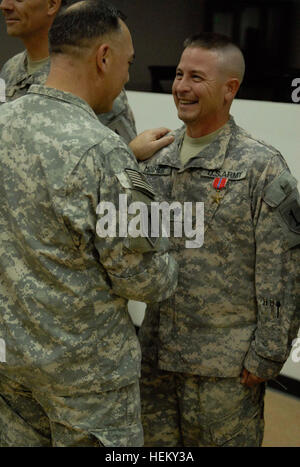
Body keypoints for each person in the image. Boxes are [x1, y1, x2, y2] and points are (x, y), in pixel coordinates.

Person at [0, 0, 178, 447]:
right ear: (103, 58)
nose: (125, 78)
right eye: (127, 64)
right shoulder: (102, 151)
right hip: (87, 378)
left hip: (13, 360)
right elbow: (144, 278)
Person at [137, 32, 300, 447]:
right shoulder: (156, 157)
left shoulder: (260, 166)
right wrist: (126, 158)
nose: (181, 87)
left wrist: (268, 352)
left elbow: (282, 268)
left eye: (196, 77)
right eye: (178, 74)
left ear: (230, 88)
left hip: (224, 369)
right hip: (155, 358)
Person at [0, 0, 136, 143]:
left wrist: (132, 151)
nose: (5, 6)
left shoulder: (87, 75)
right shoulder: (11, 68)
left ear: (52, 4)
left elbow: (118, 155)